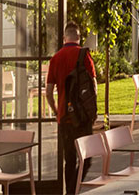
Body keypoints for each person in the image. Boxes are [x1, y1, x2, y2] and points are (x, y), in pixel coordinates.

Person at [46, 23, 97, 194]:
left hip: (64, 117)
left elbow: (48, 93)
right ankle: (73, 191)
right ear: (79, 37)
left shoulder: (56, 58)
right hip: (83, 116)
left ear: (64, 38)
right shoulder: (84, 55)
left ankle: (70, 192)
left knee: (69, 159)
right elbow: (94, 86)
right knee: (87, 158)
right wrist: (92, 110)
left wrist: (56, 111)